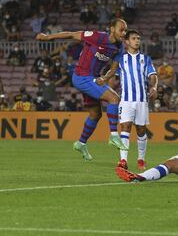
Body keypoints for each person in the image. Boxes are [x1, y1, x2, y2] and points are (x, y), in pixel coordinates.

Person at [35, 18, 128, 160]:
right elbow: (72, 34)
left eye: (125, 30)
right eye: (121, 29)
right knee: (114, 98)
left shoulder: (120, 47)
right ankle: (114, 135)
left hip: (93, 78)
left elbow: (113, 69)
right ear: (112, 29)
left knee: (96, 114)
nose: (124, 33)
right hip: (81, 76)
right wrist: (48, 37)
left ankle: (81, 143)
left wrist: (105, 78)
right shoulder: (97, 36)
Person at [97, 29, 158, 171]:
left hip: (142, 100)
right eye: (134, 38)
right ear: (126, 42)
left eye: (138, 38)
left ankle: (141, 159)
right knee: (125, 127)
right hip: (126, 100)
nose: (137, 41)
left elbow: (153, 75)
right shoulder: (121, 58)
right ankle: (123, 160)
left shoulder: (146, 59)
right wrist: (104, 79)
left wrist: (154, 86)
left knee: (141, 130)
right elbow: (112, 72)